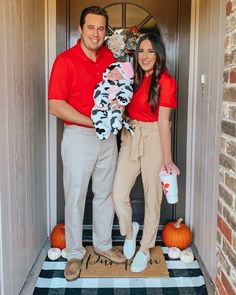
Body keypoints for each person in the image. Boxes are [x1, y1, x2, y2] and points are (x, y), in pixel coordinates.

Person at [48, 6, 126, 281]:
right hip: (79, 137)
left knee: (104, 194)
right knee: (76, 197)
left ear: (106, 32)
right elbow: (55, 105)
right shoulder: (65, 61)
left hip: (108, 138)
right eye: (91, 27)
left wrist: (118, 107)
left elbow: (120, 88)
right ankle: (73, 254)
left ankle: (103, 245)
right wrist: (91, 121)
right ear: (80, 29)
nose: (96, 33)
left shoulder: (109, 57)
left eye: (101, 28)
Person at [112, 33, 180, 273]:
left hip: (153, 138)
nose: (145, 56)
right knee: (118, 193)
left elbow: (163, 123)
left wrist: (167, 159)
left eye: (151, 51)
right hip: (131, 135)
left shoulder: (167, 82)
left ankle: (144, 247)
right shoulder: (132, 77)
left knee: (153, 198)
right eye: (141, 50)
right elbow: (120, 103)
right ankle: (130, 232)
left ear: (158, 54)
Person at [91, 61, 134, 140]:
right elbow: (98, 91)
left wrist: (120, 100)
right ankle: (102, 129)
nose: (111, 73)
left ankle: (114, 124)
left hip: (115, 105)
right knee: (96, 115)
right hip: (101, 106)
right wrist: (102, 100)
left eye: (116, 73)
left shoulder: (124, 85)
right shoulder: (103, 83)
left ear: (123, 78)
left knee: (116, 112)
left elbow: (127, 92)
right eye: (111, 71)